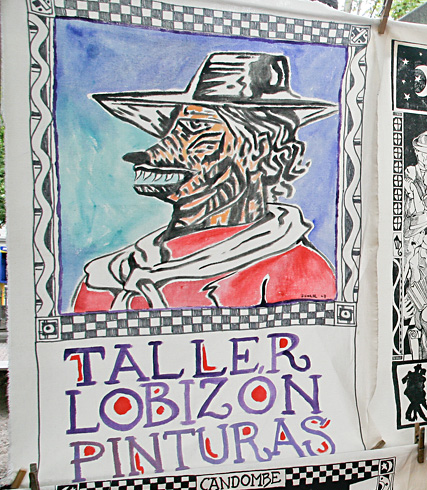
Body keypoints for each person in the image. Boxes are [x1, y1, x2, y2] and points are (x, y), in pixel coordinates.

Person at [74, 52, 338, 312]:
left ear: (272, 158)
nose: (154, 154)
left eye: (198, 132)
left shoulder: (297, 271)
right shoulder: (108, 279)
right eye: (171, 132)